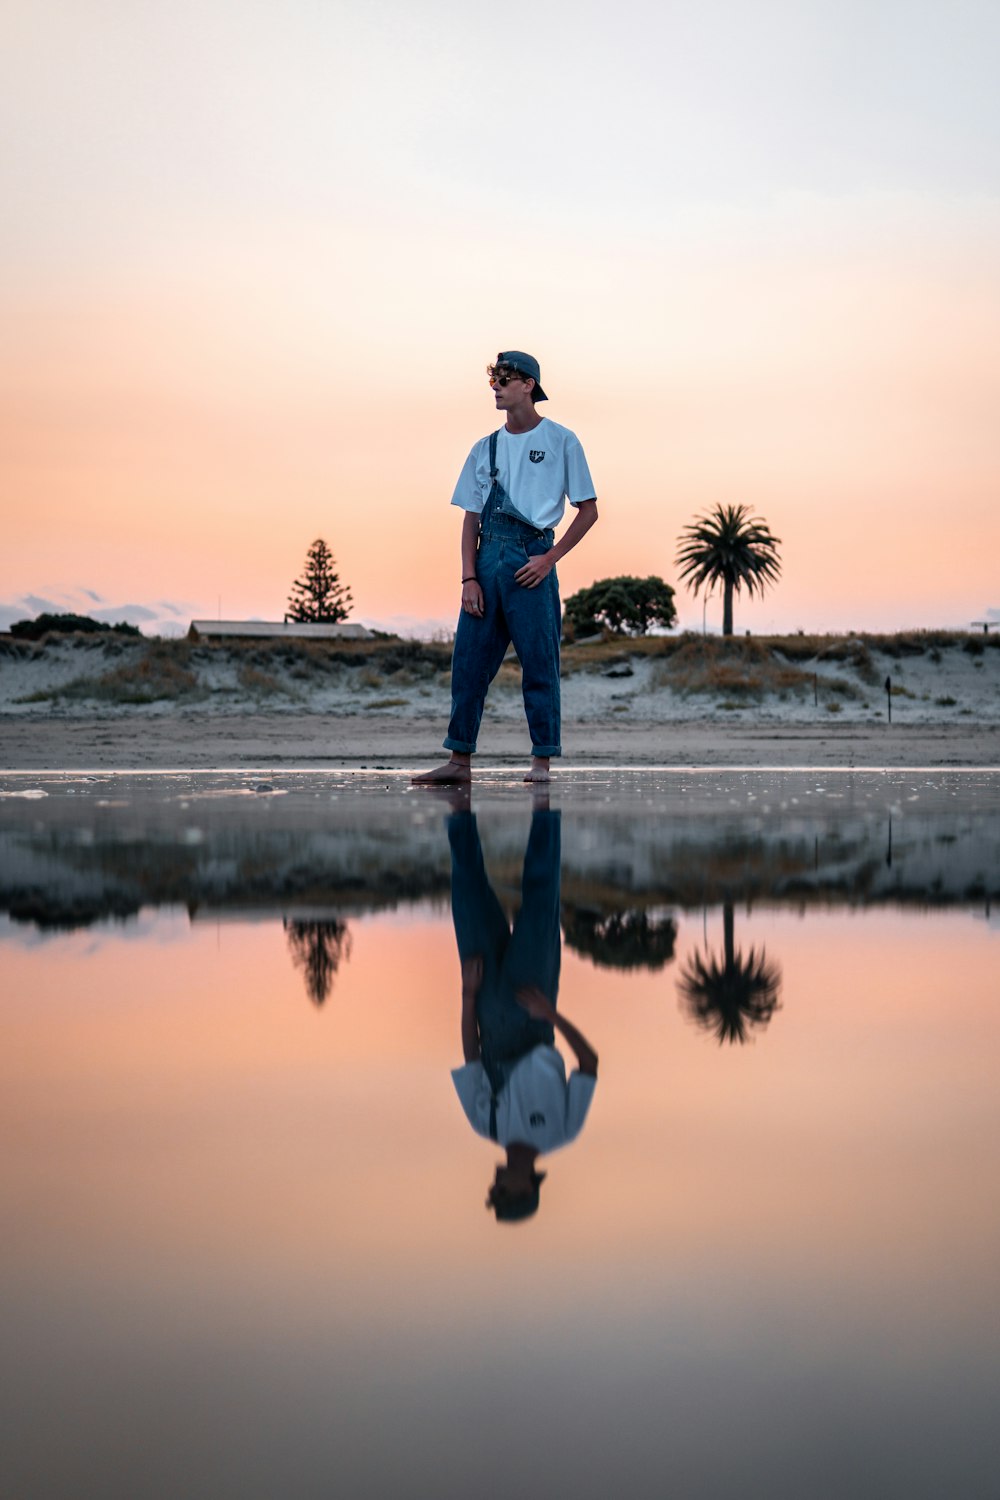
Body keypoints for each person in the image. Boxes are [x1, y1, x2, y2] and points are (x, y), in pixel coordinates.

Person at [413, 351, 598, 785]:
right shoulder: (484, 447)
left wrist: (549, 559)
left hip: (532, 557)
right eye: (494, 380)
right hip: (486, 558)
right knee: (469, 665)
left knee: (540, 664)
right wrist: (468, 578)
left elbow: (588, 511)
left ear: (528, 385)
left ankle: (541, 762)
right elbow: (470, 518)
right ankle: (459, 762)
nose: (496, 387)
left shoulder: (562, 440)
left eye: (505, 379)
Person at [446, 793, 599, 1222]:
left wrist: (468, 993)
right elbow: (588, 1063)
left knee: (467, 889)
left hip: (486, 1005)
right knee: (541, 899)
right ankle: (543, 801)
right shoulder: (563, 1132)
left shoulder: (485, 1127)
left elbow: (471, 1056)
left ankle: (458, 801)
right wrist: (549, 1014)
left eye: (494, 1194)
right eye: (504, 1194)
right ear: (528, 1186)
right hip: (536, 1009)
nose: (494, 1186)